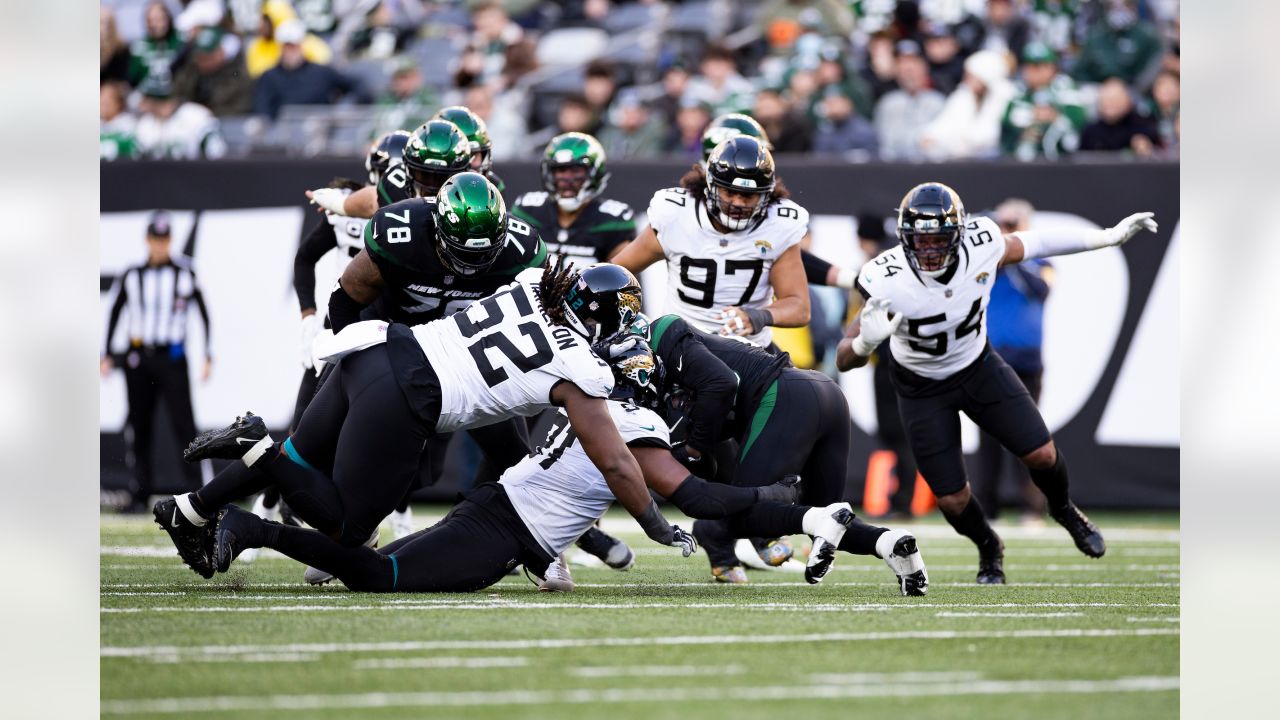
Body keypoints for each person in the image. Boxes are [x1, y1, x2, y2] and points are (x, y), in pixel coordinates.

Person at [153, 225, 685, 581]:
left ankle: (193, 510)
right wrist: (656, 524)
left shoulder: (529, 283)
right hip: (413, 395)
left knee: (299, 462)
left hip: (379, 346)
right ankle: (253, 445)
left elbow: (544, 288)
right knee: (347, 529)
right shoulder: (580, 367)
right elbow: (614, 459)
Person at [214, 339, 926, 595]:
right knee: (373, 573)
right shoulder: (635, 422)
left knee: (370, 561)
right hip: (502, 529)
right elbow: (700, 497)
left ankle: (253, 515)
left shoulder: (601, 403)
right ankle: (255, 518)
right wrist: (785, 502)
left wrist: (792, 511)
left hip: (509, 520)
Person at [835, 182, 1159, 583]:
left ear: (959, 235)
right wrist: (866, 339)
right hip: (921, 388)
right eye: (922, 240)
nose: (931, 249)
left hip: (977, 366)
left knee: (1041, 453)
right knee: (952, 499)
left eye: (940, 239)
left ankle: (1064, 510)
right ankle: (989, 546)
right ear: (904, 237)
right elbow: (844, 359)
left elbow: (1038, 243)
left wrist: (1106, 238)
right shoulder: (885, 277)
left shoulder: (982, 243)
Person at [613, 136, 810, 350]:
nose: (738, 203)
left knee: (812, 384)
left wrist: (758, 317)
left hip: (751, 352)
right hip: (682, 348)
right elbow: (616, 271)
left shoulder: (778, 225)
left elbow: (799, 307)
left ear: (765, 196)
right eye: (730, 192)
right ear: (711, 186)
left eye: (748, 196)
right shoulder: (676, 215)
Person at [102, 211, 212, 514]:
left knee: (184, 425)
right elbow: (114, 313)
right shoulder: (132, 275)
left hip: (173, 357)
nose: (160, 245)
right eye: (155, 239)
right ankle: (140, 492)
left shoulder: (185, 273)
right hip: (138, 357)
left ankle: (197, 492)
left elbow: (203, 315)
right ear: (148, 240)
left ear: (170, 241)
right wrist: (106, 353)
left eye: (164, 240)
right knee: (140, 426)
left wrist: (208, 355)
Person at [973, 199, 1051, 522]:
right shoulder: (988, 262)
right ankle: (987, 508)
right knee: (987, 439)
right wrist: (994, 242)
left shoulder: (1041, 262)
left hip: (1026, 362)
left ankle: (1032, 508)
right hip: (988, 359)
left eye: (1013, 223)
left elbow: (1042, 288)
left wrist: (1015, 250)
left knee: (1027, 435)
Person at [511, 132, 635, 269]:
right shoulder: (529, 210)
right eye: (560, 170)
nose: (566, 179)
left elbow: (621, 277)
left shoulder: (613, 220)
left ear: (595, 172)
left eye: (576, 170)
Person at [252, 19, 360, 120]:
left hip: (321, 134)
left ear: (301, 46)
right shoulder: (269, 78)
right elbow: (263, 114)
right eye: (286, 47)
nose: (290, 52)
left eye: (294, 46)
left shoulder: (321, 73)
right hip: (284, 136)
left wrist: (346, 108)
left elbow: (357, 86)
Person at [1000, 42, 1087, 161]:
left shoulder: (1064, 87)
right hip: (1022, 161)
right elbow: (1008, 120)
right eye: (1029, 66)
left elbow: (1078, 118)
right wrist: (1033, 115)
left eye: (1040, 66)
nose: (1034, 71)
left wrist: (1054, 116)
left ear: (1052, 67)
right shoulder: (1018, 90)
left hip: (1062, 161)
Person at [873, 40, 945, 161]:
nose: (908, 70)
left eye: (914, 63)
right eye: (902, 64)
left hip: (929, 168)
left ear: (924, 67)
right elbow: (882, 145)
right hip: (894, 169)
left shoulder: (938, 102)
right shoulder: (887, 103)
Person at [171, 26, 254, 117]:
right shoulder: (191, 70)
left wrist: (208, 114)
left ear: (221, 53)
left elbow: (240, 107)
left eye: (208, 58)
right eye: (199, 57)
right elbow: (177, 95)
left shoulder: (237, 74)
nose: (202, 62)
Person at [432, 106, 505, 192]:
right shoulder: (426, 187)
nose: (472, 163)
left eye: (474, 154)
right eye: (460, 156)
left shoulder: (493, 186)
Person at [1079, 78, 1160, 156]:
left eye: (1115, 99)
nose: (1110, 104)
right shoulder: (1090, 131)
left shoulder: (1143, 124)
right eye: (1106, 100)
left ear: (1127, 100)